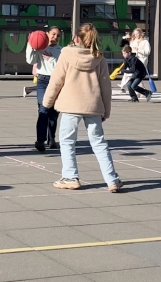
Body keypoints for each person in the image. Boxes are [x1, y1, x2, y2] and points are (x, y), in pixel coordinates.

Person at [43, 23, 122, 192]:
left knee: (67, 141)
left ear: (76, 38)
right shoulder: (99, 57)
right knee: (99, 143)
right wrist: (106, 110)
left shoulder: (66, 54)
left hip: (70, 104)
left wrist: (47, 102)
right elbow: (105, 87)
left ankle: (70, 177)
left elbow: (57, 80)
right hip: (92, 105)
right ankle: (112, 179)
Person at [26, 26, 63, 152]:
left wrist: (51, 59)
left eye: (58, 35)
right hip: (42, 81)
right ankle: (40, 140)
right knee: (43, 109)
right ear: (47, 34)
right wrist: (30, 45)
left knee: (54, 113)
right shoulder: (40, 46)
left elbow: (61, 68)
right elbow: (30, 60)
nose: (55, 37)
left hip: (56, 82)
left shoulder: (61, 51)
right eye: (53, 34)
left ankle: (51, 139)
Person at [120, 28, 151, 93]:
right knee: (136, 75)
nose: (136, 35)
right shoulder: (133, 41)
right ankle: (124, 86)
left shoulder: (145, 42)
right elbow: (129, 51)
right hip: (134, 60)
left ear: (141, 33)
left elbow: (147, 52)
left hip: (142, 60)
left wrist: (138, 49)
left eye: (138, 33)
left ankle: (140, 91)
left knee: (137, 75)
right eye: (135, 33)